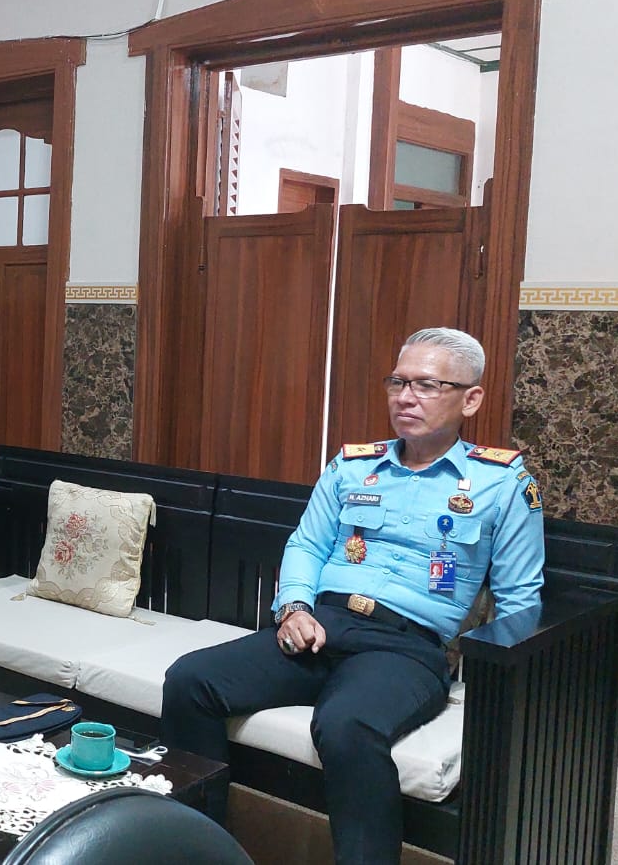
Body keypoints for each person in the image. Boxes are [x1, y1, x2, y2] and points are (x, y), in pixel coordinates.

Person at [161, 327, 545, 865]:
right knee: (190, 679)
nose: (406, 397)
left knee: (345, 725)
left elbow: (521, 599)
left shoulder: (501, 484)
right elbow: (306, 545)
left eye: (427, 385)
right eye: (398, 382)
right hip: (323, 626)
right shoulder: (353, 466)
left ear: (471, 399)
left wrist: (496, 685)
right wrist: (294, 609)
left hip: (406, 649)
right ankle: (200, 849)